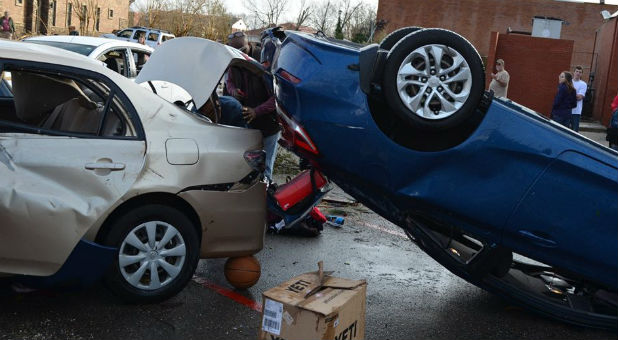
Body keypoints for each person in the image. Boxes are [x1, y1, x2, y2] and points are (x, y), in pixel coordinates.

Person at [570, 65, 587, 132]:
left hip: (576, 111)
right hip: (567, 110)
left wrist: (569, 95)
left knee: (574, 131)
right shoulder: (569, 82)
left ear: (581, 74)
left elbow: (579, 97)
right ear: (574, 72)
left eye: (580, 72)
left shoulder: (583, 84)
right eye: (577, 71)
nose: (578, 73)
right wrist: (575, 95)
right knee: (565, 129)